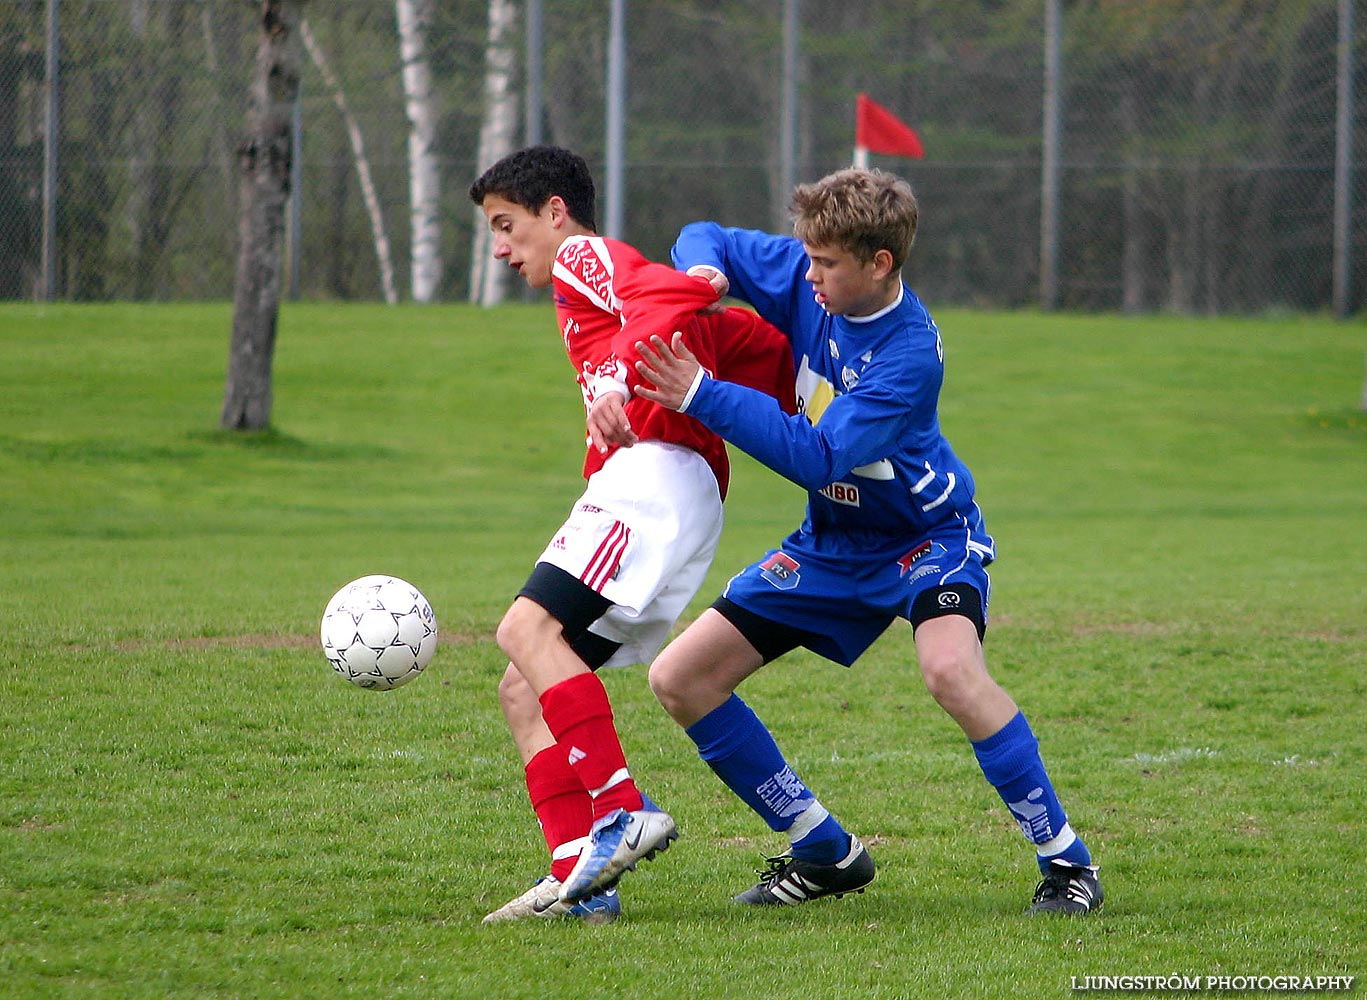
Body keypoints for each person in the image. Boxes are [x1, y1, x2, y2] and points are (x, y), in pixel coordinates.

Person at [625, 166, 1103, 915]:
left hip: (926, 540)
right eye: (806, 256)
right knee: (680, 678)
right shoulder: (805, 269)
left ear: (879, 264)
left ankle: (1066, 862)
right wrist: (704, 271)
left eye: (827, 264)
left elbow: (814, 455)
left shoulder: (907, 356)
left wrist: (698, 394)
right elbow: (706, 234)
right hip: (831, 543)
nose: (806, 275)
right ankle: (822, 849)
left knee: (949, 670)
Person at [467, 146, 796, 924]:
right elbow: (725, 334)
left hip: (656, 474)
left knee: (524, 626)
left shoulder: (584, 254)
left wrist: (617, 380)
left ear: (555, 212)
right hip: (661, 483)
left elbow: (667, 293)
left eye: (507, 226)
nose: (500, 248)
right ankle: (580, 884)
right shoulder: (580, 292)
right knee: (524, 684)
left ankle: (620, 810)